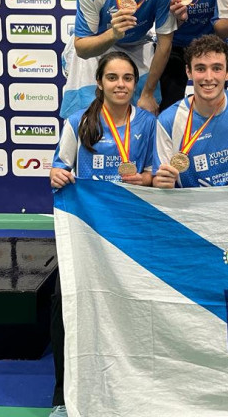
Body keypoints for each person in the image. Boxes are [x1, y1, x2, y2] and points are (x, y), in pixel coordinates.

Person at [49, 51, 156, 417]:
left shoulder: (147, 123)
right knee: (65, 305)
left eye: (128, 78)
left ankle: (133, 386)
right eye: (113, 78)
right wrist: (56, 175)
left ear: (135, 83)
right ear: (100, 82)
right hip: (87, 235)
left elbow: (155, 175)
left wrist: (144, 179)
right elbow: (59, 167)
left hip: (129, 234)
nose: (121, 85)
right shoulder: (80, 121)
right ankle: (63, 395)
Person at [153, 34, 228, 188]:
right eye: (200, 68)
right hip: (191, 208)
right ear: (188, 71)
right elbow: (160, 180)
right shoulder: (168, 120)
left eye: (217, 68)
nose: (208, 77)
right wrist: (161, 182)